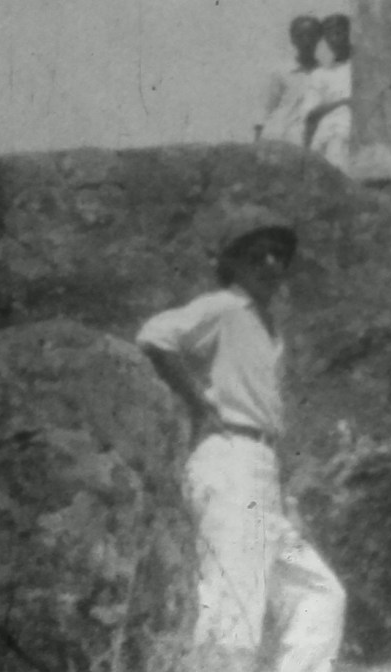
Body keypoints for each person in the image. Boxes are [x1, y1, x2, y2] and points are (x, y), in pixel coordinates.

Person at [136, 205, 345, 672]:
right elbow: (154, 336)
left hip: (262, 474)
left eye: (278, 255)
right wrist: (198, 404)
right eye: (257, 255)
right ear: (232, 262)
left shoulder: (268, 327)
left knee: (320, 594)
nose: (271, 264)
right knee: (232, 609)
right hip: (231, 462)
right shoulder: (225, 308)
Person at [256, 16, 324, 145]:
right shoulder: (281, 72)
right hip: (276, 138)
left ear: (319, 37)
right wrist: (256, 145)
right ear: (293, 39)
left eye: (311, 35)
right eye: (300, 36)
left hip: (307, 141)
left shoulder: (326, 74)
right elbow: (266, 110)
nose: (306, 41)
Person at [304, 14, 352, 173]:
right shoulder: (319, 74)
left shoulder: (362, 69)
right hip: (328, 140)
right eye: (329, 35)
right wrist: (343, 102)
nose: (334, 39)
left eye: (339, 33)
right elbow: (311, 114)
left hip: (353, 138)